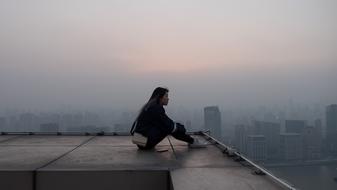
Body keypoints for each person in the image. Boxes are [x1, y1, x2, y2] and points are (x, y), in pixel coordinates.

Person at [130, 87, 206, 150]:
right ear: (160, 97)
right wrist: (181, 128)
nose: (168, 98)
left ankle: (191, 141)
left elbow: (167, 122)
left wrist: (176, 126)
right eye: (166, 96)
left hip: (139, 141)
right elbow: (169, 125)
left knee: (168, 126)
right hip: (144, 143)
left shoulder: (150, 106)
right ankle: (192, 141)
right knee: (168, 127)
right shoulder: (155, 109)